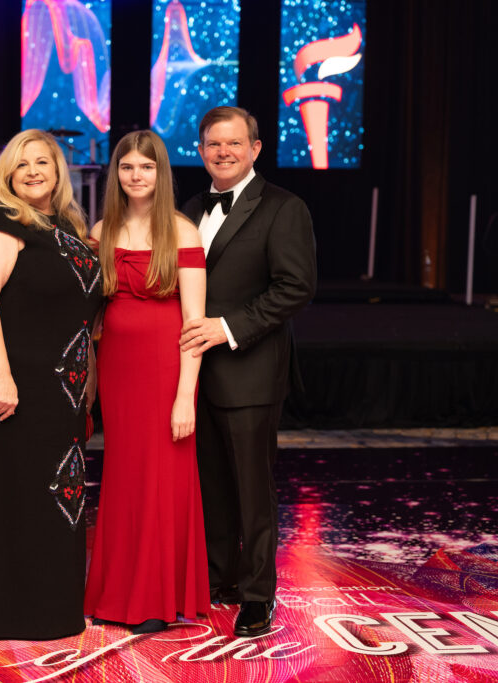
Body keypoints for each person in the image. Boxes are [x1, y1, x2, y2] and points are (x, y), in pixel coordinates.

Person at [0, 129, 103, 640]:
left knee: (58, 498)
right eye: (22, 164)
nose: (34, 171)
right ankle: (5, 613)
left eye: (44, 162)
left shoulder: (67, 229)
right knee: (14, 494)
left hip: (61, 394)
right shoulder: (1, 223)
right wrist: (2, 375)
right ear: (7, 176)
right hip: (15, 388)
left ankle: (51, 608)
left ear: (59, 171)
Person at [179, 106, 316, 637]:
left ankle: (258, 596)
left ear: (256, 149)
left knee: (253, 492)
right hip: (196, 373)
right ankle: (221, 578)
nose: (223, 153)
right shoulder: (190, 207)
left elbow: (294, 288)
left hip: (251, 370)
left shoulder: (284, 208)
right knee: (211, 486)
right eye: (214, 144)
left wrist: (226, 328)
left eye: (234, 144)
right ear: (202, 149)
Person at [83, 131, 209, 634]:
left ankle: (156, 599)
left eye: (146, 167)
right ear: (116, 174)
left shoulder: (182, 232)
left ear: (162, 174)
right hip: (118, 369)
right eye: (128, 167)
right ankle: (116, 592)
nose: (136, 175)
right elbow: (87, 315)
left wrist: (185, 397)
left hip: (167, 370)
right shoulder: (100, 230)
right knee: (124, 478)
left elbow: (196, 326)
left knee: (162, 480)